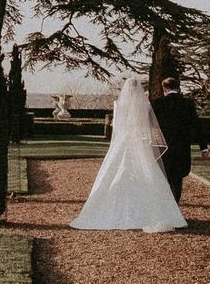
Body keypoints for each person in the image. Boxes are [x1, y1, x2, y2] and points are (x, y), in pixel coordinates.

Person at [70, 77, 187, 232]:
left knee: (115, 173)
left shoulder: (119, 104)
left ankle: (114, 210)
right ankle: (152, 212)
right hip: (140, 142)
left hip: (123, 142)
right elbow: (150, 126)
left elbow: (116, 128)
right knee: (146, 173)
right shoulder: (145, 104)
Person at [151, 77, 209, 203]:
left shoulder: (157, 103)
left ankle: (165, 205)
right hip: (181, 147)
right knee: (177, 178)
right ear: (178, 88)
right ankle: (175, 205)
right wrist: (203, 147)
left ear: (164, 88)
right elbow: (197, 125)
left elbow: (149, 124)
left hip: (163, 147)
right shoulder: (187, 104)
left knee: (164, 177)